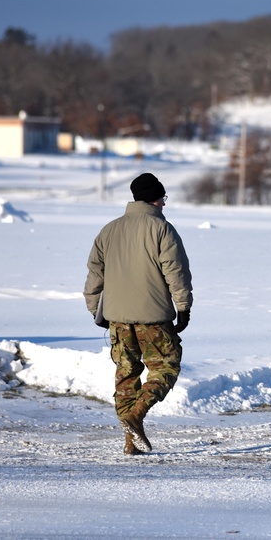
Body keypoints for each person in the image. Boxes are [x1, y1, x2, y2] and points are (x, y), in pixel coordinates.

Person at [83, 172, 193, 455]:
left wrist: (95, 307)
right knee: (166, 366)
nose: (164, 204)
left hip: (117, 319)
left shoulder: (109, 230)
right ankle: (137, 414)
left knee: (126, 374)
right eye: (163, 199)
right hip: (153, 318)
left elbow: (95, 272)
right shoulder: (162, 229)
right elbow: (175, 272)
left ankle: (131, 441)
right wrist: (183, 307)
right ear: (155, 200)